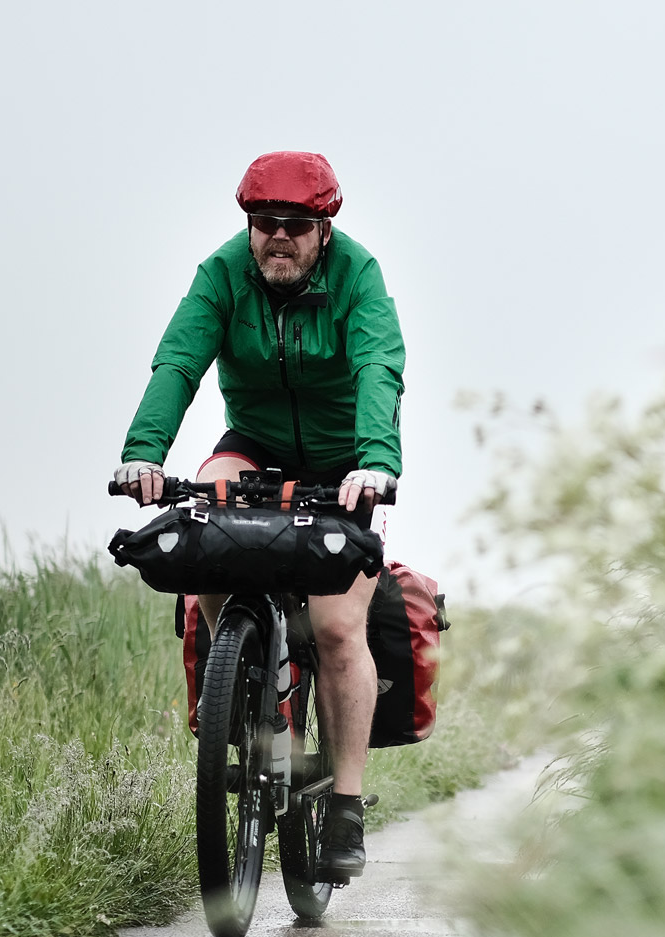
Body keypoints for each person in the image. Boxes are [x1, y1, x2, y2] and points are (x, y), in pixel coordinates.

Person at [113, 150, 404, 879]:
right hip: (254, 447)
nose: (278, 237)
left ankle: (344, 804)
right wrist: (144, 453)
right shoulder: (222, 274)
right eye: (263, 223)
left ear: (325, 229)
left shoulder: (358, 277)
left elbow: (379, 365)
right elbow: (179, 360)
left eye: (295, 226)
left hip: (344, 461)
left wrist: (375, 462)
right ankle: (237, 673)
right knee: (203, 519)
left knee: (338, 629)